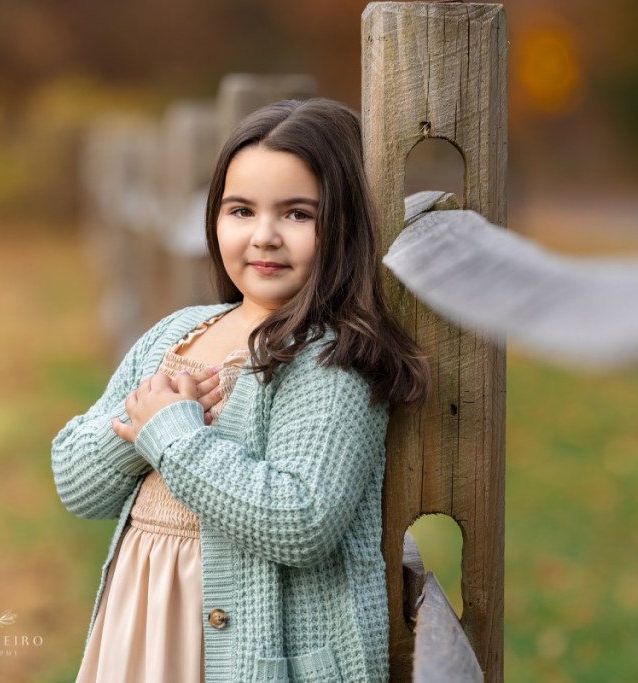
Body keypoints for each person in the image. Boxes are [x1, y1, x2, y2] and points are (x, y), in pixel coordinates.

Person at [51, 98, 429, 683]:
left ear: (347, 223)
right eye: (241, 210)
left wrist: (171, 437)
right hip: (144, 623)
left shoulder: (331, 359)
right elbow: (76, 483)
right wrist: (139, 432)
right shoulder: (177, 334)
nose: (265, 236)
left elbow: (301, 519)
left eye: (299, 214)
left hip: (259, 657)